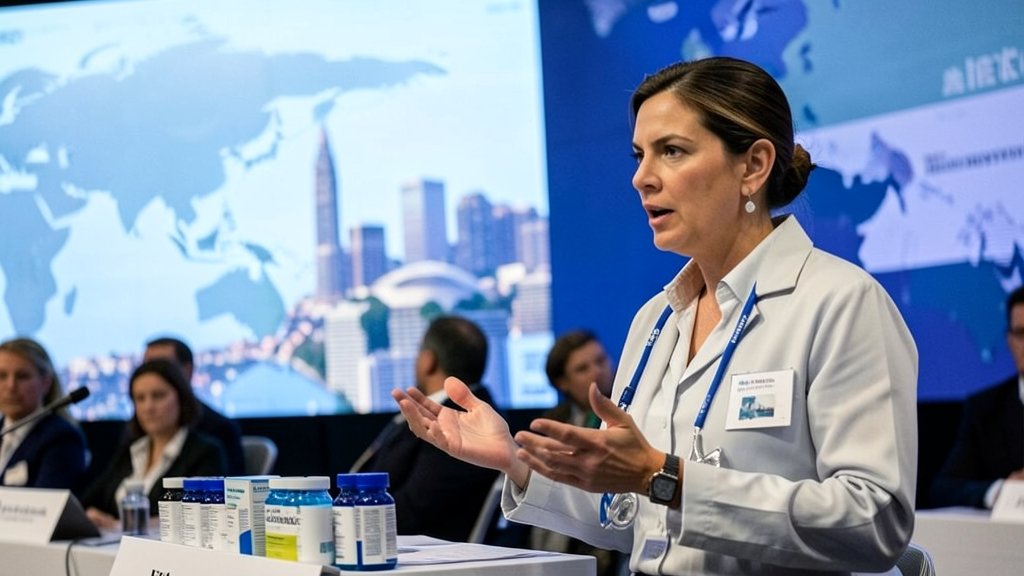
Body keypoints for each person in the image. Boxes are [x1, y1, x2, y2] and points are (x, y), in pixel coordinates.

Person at [393, 56, 918, 574]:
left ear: (753, 166)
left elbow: (873, 524)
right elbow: (630, 517)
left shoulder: (841, 303)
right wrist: (515, 460)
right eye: (639, 154)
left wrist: (664, 478)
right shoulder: (656, 321)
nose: (641, 178)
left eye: (671, 151)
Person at [351, 315, 500, 542]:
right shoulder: (453, 411)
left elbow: (413, 511)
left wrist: (343, 519)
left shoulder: (461, 422)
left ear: (428, 361)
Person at [82, 358, 226, 529]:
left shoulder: (205, 452)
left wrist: (120, 525)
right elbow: (88, 501)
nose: (148, 407)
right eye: (140, 398)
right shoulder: (131, 450)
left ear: (181, 397)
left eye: (158, 396)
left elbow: (200, 516)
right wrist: (91, 516)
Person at [531, 330, 625, 576]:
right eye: (583, 368)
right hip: (551, 535)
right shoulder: (550, 423)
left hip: (609, 541)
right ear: (562, 382)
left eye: (601, 360)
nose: (598, 371)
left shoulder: (629, 417)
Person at [929, 285, 1024, 509]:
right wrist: (1002, 490)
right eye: (1021, 334)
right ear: (1009, 340)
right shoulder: (985, 408)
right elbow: (944, 488)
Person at [143, 336, 246, 476]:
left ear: (187, 370)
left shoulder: (218, 430)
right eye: (146, 366)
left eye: (162, 367)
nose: (148, 407)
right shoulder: (137, 431)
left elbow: (227, 491)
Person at [0, 338, 88, 490]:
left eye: (22, 376)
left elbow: (46, 506)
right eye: (1, 376)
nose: (10, 386)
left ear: (46, 382)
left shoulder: (61, 438)